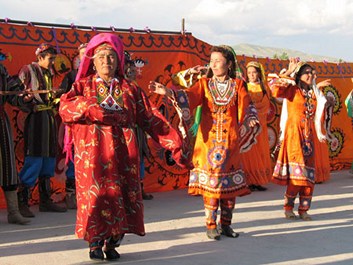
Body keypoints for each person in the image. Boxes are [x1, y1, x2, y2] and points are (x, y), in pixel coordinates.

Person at [59, 33, 192, 261]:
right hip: (93, 158)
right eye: (101, 57)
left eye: (111, 56)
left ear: (119, 60)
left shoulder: (130, 90)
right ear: (92, 60)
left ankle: (113, 243)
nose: (106, 62)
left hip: (124, 157)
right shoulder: (82, 87)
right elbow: (65, 108)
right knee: (96, 199)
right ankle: (94, 244)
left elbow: (151, 117)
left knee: (123, 197)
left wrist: (174, 142)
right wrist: (88, 106)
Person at [149, 45, 260, 240]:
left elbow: (246, 105)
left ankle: (226, 225)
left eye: (218, 61)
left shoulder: (238, 85)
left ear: (229, 64)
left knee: (228, 185)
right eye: (212, 60)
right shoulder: (204, 84)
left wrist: (250, 117)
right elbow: (188, 97)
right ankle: (210, 225)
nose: (214, 64)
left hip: (229, 142)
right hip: (208, 143)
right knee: (212, 184)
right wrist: (168, 92)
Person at [270, 58, 332, 221]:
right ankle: (288, 207)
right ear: (299, 75)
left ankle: (304, 209)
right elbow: (274, 89)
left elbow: (321, 108)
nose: (310, 75)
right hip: (293, 137)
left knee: (309, 176)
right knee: (297, 175)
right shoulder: (292, 89)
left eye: (312, 72)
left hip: (308, 138)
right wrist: (289, 72)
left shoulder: (313, 93)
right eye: (307, 72)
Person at [17, 43, 67, 217]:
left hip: (49, 119)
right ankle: (21, 202)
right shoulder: (28, 70)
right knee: (35, 160)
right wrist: (30, 103)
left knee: (48, 161)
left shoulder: (49, 73)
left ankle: (45, 201)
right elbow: (19, 95)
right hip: (36, 119)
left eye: (53, 58)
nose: (53, 62)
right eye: (50, 58)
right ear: (40, 57)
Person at [0, 54, 30, 225]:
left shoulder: (2, 71)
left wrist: (22, 98)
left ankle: (13, 212)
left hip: (1, 123)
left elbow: (13, 95)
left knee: (7, 167)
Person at [59, 43, 87, 209]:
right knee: (74, 155)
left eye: (88, 53)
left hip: (93, 123)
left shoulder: (97, 77)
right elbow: (63, 98)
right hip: (76, 122)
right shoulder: (71, 76)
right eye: (82, 54)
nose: (85, 56)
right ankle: (71, 193)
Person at [123, 51, 153, 200]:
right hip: (124, 127)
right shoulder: (119, 86)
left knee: (139, 155)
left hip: (137, 127)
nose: (131, 72)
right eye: (128, 70)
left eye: (133, 70)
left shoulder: (136, 88)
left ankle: (139, 188)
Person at [241, 61, 272, 191]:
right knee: (250, 152)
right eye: (249, 73)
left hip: (262, 123)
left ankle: (258, 180)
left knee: (261, 151)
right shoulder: (244, 87)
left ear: (259, 73)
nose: (251, 75)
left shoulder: (265, 87)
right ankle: (248, 181)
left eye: (254, 72)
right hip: (250, 124)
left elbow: (267, 104)